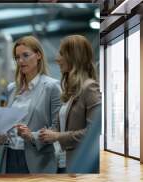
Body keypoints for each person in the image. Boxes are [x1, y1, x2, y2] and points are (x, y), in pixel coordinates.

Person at [0, 35, 62, 174]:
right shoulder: (12, 88)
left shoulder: (52, 87)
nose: (21, 61)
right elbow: (7, 124)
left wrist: (32, 136)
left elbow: (57, 129)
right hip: (10, 156)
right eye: (17, 57)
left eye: (25, 55)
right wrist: (2, 137)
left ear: (38, 55)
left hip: (37, 159)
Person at [38, 35, 101, 173]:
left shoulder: (89, 88)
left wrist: (57, 136)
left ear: (74, 56)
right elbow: (64, 126)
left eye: (61, 53)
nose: (57, 58)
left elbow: (93, 133)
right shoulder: (72, 91)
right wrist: (50, 133)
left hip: (81, 164)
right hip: (64, 163)